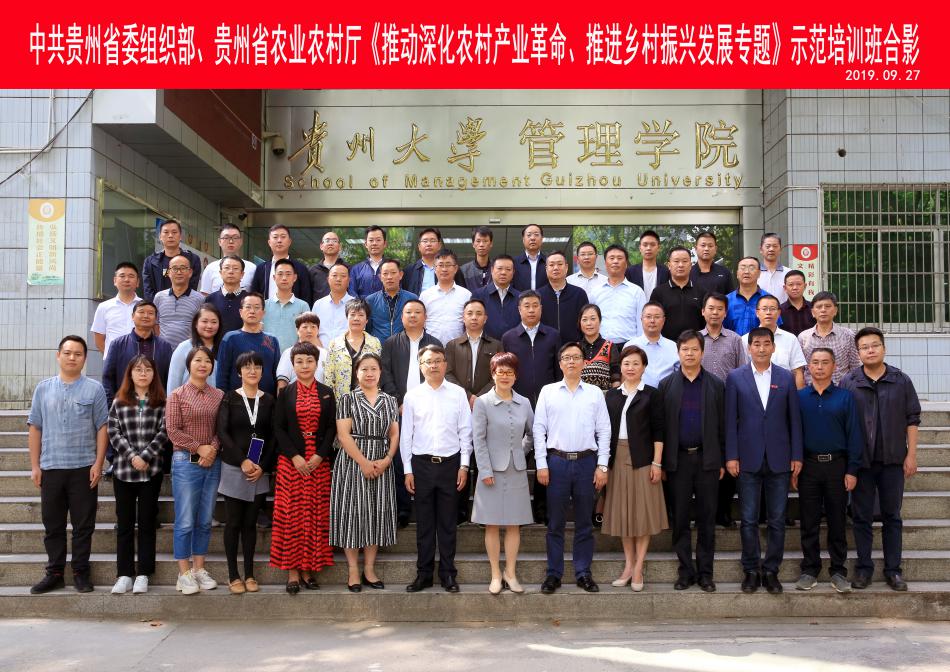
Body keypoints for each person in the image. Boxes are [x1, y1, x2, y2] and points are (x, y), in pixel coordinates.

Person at [840, 327, 921, 592]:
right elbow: (843, 422)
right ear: (858, 352)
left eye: (875, 345)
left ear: (884, 348)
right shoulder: (850, 381)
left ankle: (893, 571)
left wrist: (911, 454)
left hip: (893, 460)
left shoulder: (901, 380)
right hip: (861, 462)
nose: (870, 350)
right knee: (861, 517)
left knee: (892, 516)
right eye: (864, 347)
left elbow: (912, 419)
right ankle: (864, 569)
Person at [27, 336, 108, 594]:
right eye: (68, 352)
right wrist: (35, 465)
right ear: (58, 355)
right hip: (51, 467)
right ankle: (55, 573)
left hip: (83, 468)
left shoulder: (94, 389)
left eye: (78, 354)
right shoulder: (43, 389)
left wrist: (98, 463)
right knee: (53, 525)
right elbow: (35, 427)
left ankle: (81, 572)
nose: (72, 357)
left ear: (85, 358)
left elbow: (102, 427)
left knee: (83, 526)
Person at [725, 327, 803, 595]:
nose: (761, 348)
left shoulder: (786, 377)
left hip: (780, 458)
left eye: (765, 344)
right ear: (749, 348)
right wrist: (731, 456)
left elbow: (794, 419)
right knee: (748, 519)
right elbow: (730, 420)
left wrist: (796, 455)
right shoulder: (736, 377)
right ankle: (750, 569)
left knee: (777, 519)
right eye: (756, 344)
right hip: (747, 458)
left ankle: (771, 570)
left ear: (773, 347)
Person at [534, 342, 611, 595]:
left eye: (576, 357)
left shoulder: (594, 393)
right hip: (556, 462)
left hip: (587, 462)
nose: (571, 362)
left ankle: (583, 572)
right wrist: (541, 464)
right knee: (555, 523)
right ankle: (553, 573)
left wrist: (602, 465)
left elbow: (604, 430)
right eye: (566, 357)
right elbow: (539, 429)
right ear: (560, 363)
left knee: (584, 522)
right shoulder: (548, 392)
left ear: (584, 363)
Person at [653, 331, 726, 592]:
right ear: (678, 352)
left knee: (707, 518)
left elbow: (723, 426)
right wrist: (661, 462)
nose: (690, 354)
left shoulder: (716, 385)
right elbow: (661, 427)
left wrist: (721, 459)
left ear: (702, 352)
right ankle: (685, 571)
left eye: (695, 349)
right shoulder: (666, 385)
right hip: (678, 460)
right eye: (685, 349)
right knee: (680, 518)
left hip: (707, 459)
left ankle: (705, 573)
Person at [401, 344, 474, 594]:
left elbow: (465, 431)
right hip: (421, 465)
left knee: (447, 523)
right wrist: (408, 470)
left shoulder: (457, 393)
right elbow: (406, 436)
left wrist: (464, 465)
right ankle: (423, 574)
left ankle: (448, 574)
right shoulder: (412, 396)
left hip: (450, 465)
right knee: (424, 523)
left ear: (445, 364)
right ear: (421, 366)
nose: (433, 365)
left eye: (438, 361)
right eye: (428, 361)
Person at [794, 348, 863, 594]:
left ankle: (838, 571)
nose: (820, 367)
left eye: (825, 362)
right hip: (808, 466)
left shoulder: (845, 397)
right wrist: (795, 463)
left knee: (837, 520)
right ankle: (809, 569)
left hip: (837, 466)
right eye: (815, 362)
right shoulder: (799, 397)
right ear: (808, 367)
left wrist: (852, 469)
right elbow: (794, 433)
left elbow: (854, 434)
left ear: (834, 367)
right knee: (809, 520)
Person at [270, 342, 337, 594]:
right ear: (293, 364)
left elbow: (331, 427)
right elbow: (279, 428)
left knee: (315, 516)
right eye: (299, 361)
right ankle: (292, 572)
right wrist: (295, 457)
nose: (305, 365)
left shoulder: (327, 392)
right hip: (292, 463)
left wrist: (320, 455)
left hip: (318, 462)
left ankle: (309, 570)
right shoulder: (286, 393)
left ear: (317, 363)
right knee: (292, 516)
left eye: (309, 361)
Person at [330, 352, 401, 592]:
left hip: (382, 462)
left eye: (373, 369)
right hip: (353, 462)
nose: (369, 373)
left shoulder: (389, 400)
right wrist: (363, 462)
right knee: (352, 514)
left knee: (375, 513)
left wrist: (387, 459)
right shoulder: (347, 399)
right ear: (356, 373)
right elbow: (343, 435)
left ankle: (369, 569)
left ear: (380, 372)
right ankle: (353, 570)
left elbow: (394, 433)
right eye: (364, 369)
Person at [603, 345, 668, 592]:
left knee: (642, 514)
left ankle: (639, 567)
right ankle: (628, 565)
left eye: (636, 364)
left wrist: (657, 462)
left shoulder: (652, 394)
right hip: (616, 457)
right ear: (620, 366)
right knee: (623, 513)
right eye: (626, 363)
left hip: (643, 458)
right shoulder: (611, 396)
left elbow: (659, 430)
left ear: (644, 367)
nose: (630, 368)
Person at [471, 352, 534, 594]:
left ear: (516, 376)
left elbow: (533, 434)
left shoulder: (524, 403)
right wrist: (485, 469)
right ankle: (496, 574)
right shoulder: (482, 403)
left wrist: (519, 451)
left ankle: (511, 572)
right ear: (493, 374)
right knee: (492, 524)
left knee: (514, 524)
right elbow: (478, 439)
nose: (505, 376)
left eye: (509, 372)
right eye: (500, 372)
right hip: (490, 472)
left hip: (516, 469)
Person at [165, 345, 225, 595]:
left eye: (207, 361)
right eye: (198, 360)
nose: (203, 365)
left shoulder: (219, 395)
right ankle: (184, 573)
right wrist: (198, 448)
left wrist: (211, 449)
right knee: (185, 520)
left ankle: (199, 569)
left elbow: (222, 429)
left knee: (204, 520)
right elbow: (172, 430)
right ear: (189, 365)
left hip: (212, 462)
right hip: (185, 462)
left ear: (212, 367)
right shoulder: (177, 395)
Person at [216, 351, 276, 594]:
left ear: (262, 371)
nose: (252, 371)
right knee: (233, 522)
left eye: (257, 366)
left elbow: (274, 436)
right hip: (234, 467)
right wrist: (242, 460)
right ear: (239, 372)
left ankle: (250, 574)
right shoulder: (229, 398)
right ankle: (233, 575)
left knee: (250, 523)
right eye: (247, 367)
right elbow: (222, 432)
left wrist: (263, 466)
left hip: (259, 470)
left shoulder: (269, 400)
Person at [107, 355, 167, 595]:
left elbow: (164, 432)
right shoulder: (119, 401)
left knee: (146, 523)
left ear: (154, 374)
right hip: (124, 471)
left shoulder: (161, 402)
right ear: (130, 374)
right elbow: (113, 431)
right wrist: (133, 456)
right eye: (138, 370)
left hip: (151, 472)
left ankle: (143, 573)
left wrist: (146, 456)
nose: (143, 374)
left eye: (148, 369)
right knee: (124, 523)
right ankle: (124, 574)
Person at [380, 299, 442, 528]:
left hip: (429, 409)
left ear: (425, 317)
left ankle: (430, 505)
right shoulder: (391, 343)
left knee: (427, 456)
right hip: (399, 409)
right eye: (408, 312)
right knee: (399, 458)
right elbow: (385, 374)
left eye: (417, 312)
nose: (413, 316)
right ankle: (403, 508)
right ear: (402, 317)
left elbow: (439, 373)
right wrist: (398, 401)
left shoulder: (434, 343)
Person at [445, 298, 504, 523]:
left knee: (483, 458)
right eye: (470, 313)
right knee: (461, 456)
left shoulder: (495, 345)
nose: (474, 317)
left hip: (487, 407)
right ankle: (460, 512)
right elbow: (448, 373)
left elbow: (499, 373)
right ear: (463, 317)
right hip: (459, 407)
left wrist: (479, 397)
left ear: (485, 318)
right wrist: (467, 396)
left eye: (479, 313)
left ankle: (483, 512)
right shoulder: (452, 345)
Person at [699, 292, 748, 529]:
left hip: (729, 405)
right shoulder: (695, 339)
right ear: (703, 311)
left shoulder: (735, 340)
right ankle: (704, 512)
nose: (715, 313)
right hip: (700, 405)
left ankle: (724, 511)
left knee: (728, 455)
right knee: (705, 458)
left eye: (719, 309)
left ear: (725, 313)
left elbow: (742, 372)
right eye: (711, 308)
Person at [102, 301, 174, 405]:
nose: (146, 316)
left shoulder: (165, 346)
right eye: (141, 312)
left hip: (156, 406)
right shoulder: (118, 344)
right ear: (133, 316)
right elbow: (107, 378)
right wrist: (111, 405)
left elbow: (169, 378)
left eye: (150, 313)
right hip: (124, 405)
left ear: (155, 319)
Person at [501, 291, 561, 408]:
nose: (531, 310)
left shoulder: (553, 335)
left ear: (541, 309)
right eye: (527, 306)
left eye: (535, 306)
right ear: (519, 309)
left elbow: (559, 370)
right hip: (517, 401)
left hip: (549, 400)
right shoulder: (508, 338)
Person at [216, 293, 281, 395]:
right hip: (236, 399)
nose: (252, 311)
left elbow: (277, 373)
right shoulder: (230, 338)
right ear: (241, 312)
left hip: (267, 400)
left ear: (263, 313)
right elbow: (222, 374)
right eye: (248, 307)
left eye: (257, 307)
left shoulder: (272, 340)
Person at [741, 294, 806, 389]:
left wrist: (798, 395)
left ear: (779, 313)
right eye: (764, 309)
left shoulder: (790, 339)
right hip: (754, 391)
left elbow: (798, 371)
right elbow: (742, 371)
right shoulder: (745, 339)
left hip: (784, 390)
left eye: (772, 309)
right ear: (757, 313)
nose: (768, 312)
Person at [324, 298, 383, 400]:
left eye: (361, 315)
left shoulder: (375, 343)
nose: (356, 318)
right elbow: (329, 377)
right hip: (342, 401)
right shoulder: (335, 344)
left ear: (367, 320)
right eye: (352, 314)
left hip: (368, 401)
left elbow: (379, 375)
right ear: (346, 318)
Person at [798, 291, 861, 385]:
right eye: (819, 307)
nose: (823, 310)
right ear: (813, 312)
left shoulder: (848, 335)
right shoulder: (803, 337)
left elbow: (855, 367)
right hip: (811, 390)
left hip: (841, 389)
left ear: (835, 310)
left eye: (827, 306)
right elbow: (800, 370)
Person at [590, 244, 646, 346]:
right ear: (606, 263)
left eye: (619, 258)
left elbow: (642, 323)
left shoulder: (637, 292)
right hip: (600, 346)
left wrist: (639, 347)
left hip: (628, 347)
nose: (615, 261)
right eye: (611, 258)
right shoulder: (595, 292)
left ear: (626, 264)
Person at [649, 246, 705, 340]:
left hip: (694, 344)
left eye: (684, 261)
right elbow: (653, 320)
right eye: (676, 261)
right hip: (666, 345)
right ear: (669, 265)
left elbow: (705, 321)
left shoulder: (701, 292)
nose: (680, 265)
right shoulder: (658, 292)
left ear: (690, 265)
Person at [420, 249, 472, 347]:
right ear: (435, 268)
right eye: (440, 265)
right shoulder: (425, 295)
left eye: (448, 265)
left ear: (455, 268)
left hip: (459, 348)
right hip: (431, 348)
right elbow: (421, 323)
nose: (444, 269)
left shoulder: (466, 295)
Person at [250, 224, 314, 304]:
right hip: (266, 311)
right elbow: (254, 295)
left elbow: (306, 296)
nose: (279, 240)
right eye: (275, 237)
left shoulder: (300, 268)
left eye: (283, 237)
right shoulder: (261, 268)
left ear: (289, 242)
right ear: (269, 242)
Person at [91, 262, 142, 359]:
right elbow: (99, 340)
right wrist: (111, 358)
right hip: (114, 361)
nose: (126, 279)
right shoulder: (104, 307)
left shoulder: (145, 306)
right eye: (122, 276)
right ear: (115, 281)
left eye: (131, 276)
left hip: (140, 362)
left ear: (138, 282)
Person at [153, 254, 206, 347]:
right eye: (175, 268)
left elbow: (202, 327)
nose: (179, 272)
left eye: (183, 268)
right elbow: (155, 324)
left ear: (190, 272)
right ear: (168, 272)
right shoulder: (159, 297)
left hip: (189, 351)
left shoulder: (200, 299)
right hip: (163, 350)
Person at [141, 219, 200, 301]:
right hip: (158, 306)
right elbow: (148, 291)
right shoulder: (150, 262)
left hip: (184, 305)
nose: (170, 236)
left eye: (174, 232)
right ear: (160, 236)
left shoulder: (192, 259)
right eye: (166, 232)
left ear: (180, 236)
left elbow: (192, 287)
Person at [167, 305, 222, 392]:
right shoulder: (183, 348)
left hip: (218, 399)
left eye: (214, 322)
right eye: (204, 321)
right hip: (186, 399)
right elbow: (173, 382)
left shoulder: (224, 348)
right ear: (196, 323)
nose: (209, 326)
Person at [538, 250, 589, 343]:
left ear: (566, 267)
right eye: (551, 265)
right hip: (546, 347)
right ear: (546, 269)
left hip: (573, 347)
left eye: (560, 264)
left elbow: (586, 322)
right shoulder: (538, 296)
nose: (556, 268)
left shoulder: (579, 294)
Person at [624, 302, 678, 388]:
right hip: (638, 394)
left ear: (663, 320)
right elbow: (624, 376)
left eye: (657, 317)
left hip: (667, 394)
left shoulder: (673, 347)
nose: (652, 321)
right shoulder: (631, 346)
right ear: (641, 319)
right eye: (648, 317)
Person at [262, 258, 310, 352]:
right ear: (274, 277)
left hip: (294, 356)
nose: (284, 278)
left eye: (288, 274)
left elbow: (306, 335)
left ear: (294, 277)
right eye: (280, 274)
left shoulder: (303, 306)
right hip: (268, 355)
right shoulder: (264, 305)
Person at [366, 259, 418, 343]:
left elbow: (416, 326)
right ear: (380, 277)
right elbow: (368, 328)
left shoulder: (412, 299)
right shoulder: (370, 300)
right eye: (385, 273)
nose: (389, 277)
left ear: (400, 275)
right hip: (378, 347)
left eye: (393, 273)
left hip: (404, 346)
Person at [402, 227, 466, 294]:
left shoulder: (451, 269)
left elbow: (461, 292)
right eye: (425, 241)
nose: (429, 244)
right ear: (419, 246)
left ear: (439, 245)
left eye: (432, 241)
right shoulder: (409, 271)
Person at [472, 255, 521, 340]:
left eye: (508, 269)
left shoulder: (520, 297)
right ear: (492, 270)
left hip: (513, 344)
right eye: (499, 268)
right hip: (485, 345)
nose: (503, 272)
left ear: (513, 272)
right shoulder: (478, 295)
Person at [199, 223, 256, 295]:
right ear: (219, 241)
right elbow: (205, 296)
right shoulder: (210, 268)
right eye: (226, 238)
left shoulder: (252, 268)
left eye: (235, 238)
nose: (231, 241)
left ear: (241, 241)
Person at [276, 312, 328, 390]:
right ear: (297, 330)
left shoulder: (325, 353)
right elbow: (282, 382)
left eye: (313, 327)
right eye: (305, 327)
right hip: (295, 395)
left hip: (320, 395)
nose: (309, 330)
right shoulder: (288, 352)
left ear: (318, 330)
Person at [724, 256, 774, 336]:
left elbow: (775, 328)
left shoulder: (769, 300)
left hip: (761, 343)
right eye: (743, 268)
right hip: (732, 344)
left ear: (759, 273)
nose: (746, 272)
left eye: (751, 268)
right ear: (737, 274)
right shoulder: (726, 300)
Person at [578, 304, 621, 391]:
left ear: (600, 321)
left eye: (593, 319)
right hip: (578, 395)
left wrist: (615, 395)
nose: (589, 323)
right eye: (584, 319)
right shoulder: (575, 348)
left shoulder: (610, 346)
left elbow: (615, 375)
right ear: (580, 323)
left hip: (604, 396)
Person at [203, 255, 248, 335]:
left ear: (242, 274)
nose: (231, 271)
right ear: (220, 273)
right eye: (227, 268)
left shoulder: (249, 300)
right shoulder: (210, 299)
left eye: (235, 268)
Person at [312, 262, 355, 345]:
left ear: (349, 281)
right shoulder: (318, 305)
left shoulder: (356, 304)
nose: (338, 279)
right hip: (321, 351)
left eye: (343, 276)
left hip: (347, 352)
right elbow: (312, 332)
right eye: (334, 275)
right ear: (328, 279)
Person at [626, 230, 670, 299]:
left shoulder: (666, 271)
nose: (648, 248)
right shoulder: (630, 271)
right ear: (640, 248)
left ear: (658, 248)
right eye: (645, 245)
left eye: (652, 245)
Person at [690, 231, 735, 296]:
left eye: (710, 246)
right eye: (703, 245)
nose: (706, 249)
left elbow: (730, 298)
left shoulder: (725, 273)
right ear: (696, 248)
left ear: (715, 249)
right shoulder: (688, 273)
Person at [348, 225, 387, 298]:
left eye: (378, 240)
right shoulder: (356, 269)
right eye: (371, 240)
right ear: (366, 244)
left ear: (385, 244)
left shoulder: (392, 268)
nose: (374, 243)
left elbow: (397, 293)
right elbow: (352, 294)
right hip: (361, 305)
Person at [308, 230, 343, 303]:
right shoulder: (312, 271)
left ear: (340, 246)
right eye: (327, 241)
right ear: (321, 246)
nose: (330, 243)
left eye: (334, 241)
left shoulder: (348, 269)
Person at [779, 270, 815, 336]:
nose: (795, 288)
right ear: (785, 288)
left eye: (798, 284)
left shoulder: (814, 308)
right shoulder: (779, 311)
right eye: (791, 285)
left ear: (805, 286)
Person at [513, 223, 548, 291]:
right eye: (529, 235)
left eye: (536, 235)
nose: (532, 238)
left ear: (542, 239)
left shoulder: (549, 262)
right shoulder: (514, 262)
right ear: (523, 240)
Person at [758, 232, 789, 303]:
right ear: (761, 249)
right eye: (768, 246)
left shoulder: (788, 273)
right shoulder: (754, 273)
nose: (771, 249)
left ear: (780, 249)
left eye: (775, 246)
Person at [460, 225, 493, 289]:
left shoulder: (497, 268)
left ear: (491, 244)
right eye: (478, 241)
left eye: (485, 241)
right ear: (473, 244)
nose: (481, 245)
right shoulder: (463, 270)